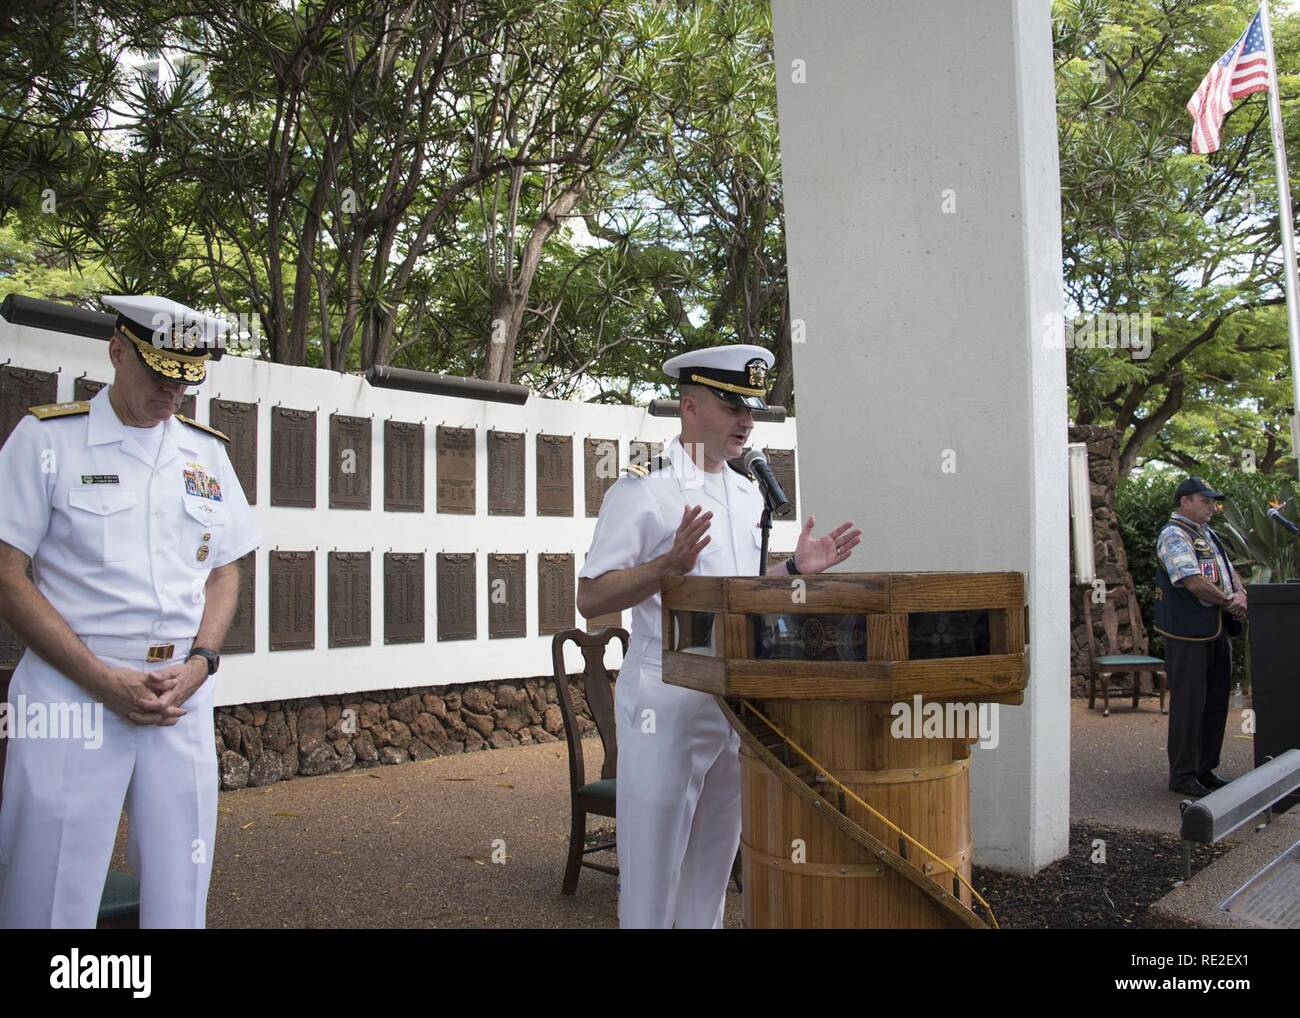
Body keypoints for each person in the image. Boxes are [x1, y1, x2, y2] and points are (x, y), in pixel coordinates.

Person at [576, 343, 862, 928]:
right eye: (733, 406)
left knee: (711, 876)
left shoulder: (749, 492)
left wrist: (792, 571)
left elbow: (739, 590)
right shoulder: (642, 493)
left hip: (733, 698)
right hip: (667, 692)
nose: (747, 420)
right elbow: (590, 598)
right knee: (653, 878)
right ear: (689, 407)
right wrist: (664, 569)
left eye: (751, 407)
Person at [0, 295, 259, 927]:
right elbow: (6, 570)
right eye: (160, 372)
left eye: (186, 377)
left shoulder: (206, 453)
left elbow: (225, 569)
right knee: (51, 883)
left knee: (181, 881)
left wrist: (202, 661)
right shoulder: (49, 438)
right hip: (71, 692)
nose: (173, 390)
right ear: (118, 351)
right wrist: (99, 679)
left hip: (179, 694)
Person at [1152, 476, 1246, 798]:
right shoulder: (1173, 534)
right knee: (1190, 706)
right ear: (1185, 502)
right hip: (1188, 634)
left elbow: (1228, 570)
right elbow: (1190, 579)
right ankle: (1182, 776)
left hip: (1216, 630)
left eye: (1212, 501)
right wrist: (1227, 600)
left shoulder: (1207, 534)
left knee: (1215, 703)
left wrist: (1241, 593)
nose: (1211, 507)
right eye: (1204, 501)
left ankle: (1205, 770)